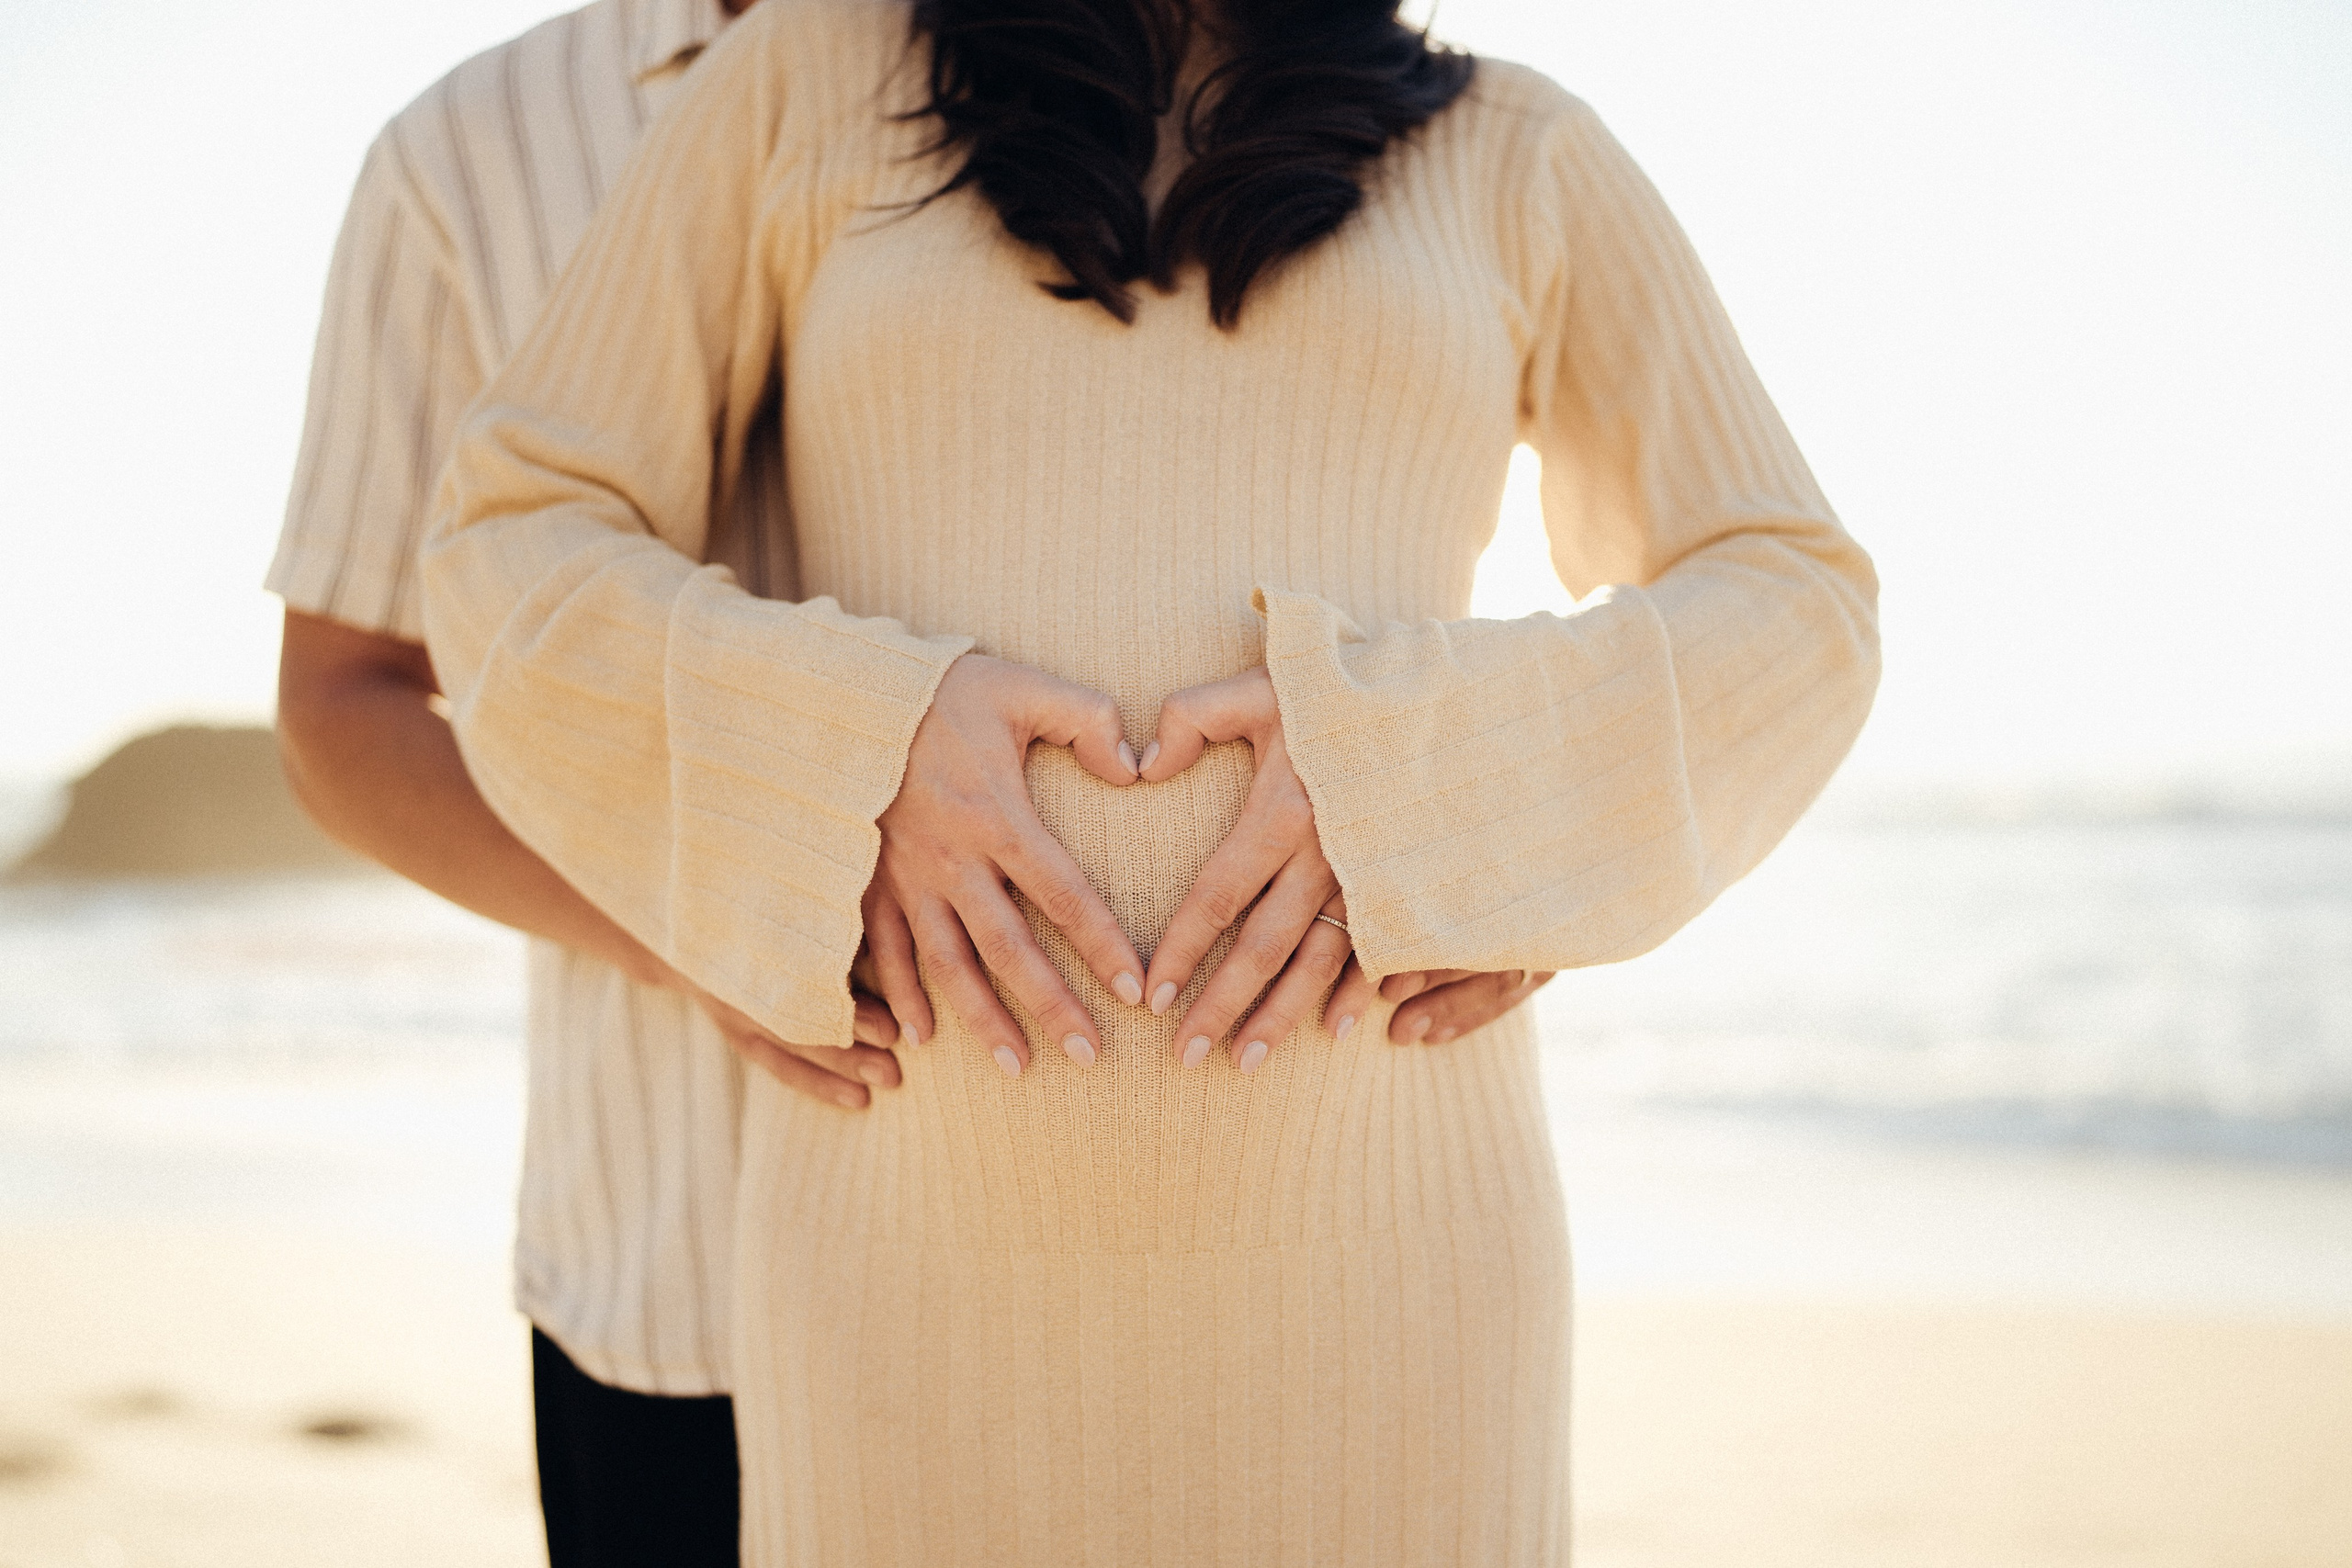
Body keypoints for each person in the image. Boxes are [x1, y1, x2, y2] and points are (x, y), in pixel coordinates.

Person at [421, 0, 1880, 1560]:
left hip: (1399, 1294)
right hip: (908, 1302)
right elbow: (513, 543)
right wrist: (845, 748)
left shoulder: (1515, 149)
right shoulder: (808, 74)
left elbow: (1799, 601)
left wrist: (1435, 775)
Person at [268, 2, 1550, 1559]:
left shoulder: (1153, 75)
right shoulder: (471, 154)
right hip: (667, 1256)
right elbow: (347, 709)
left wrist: (1495, 808)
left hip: (1122, 1297)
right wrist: (724, 915)